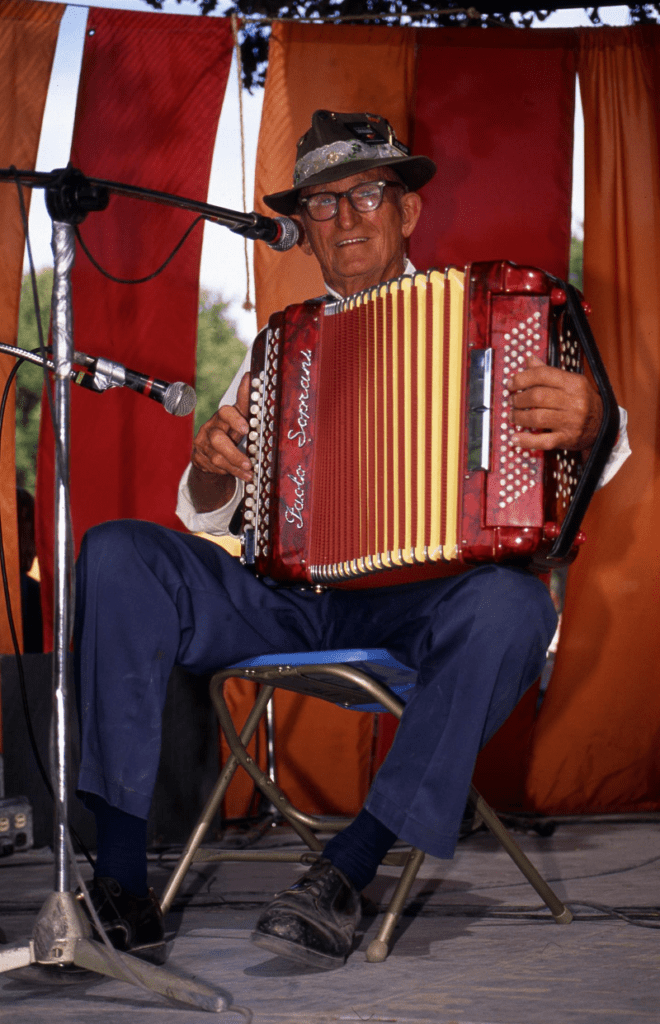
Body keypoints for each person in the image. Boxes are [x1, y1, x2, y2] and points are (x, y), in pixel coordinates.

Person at [74, 110, 630, 969]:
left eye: (366, 193)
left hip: (428, 602)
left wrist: (591, 418)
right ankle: (118, 882)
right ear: (304, 233)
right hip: (292, 603)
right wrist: (216, 468)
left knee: (514, 604)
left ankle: (350, 868)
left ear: (407, 210)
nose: (345, 219)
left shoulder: (493, 313)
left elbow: (606, 443)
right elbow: (207, 516)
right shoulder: (281, 345)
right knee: (117, 554)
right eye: (322, 207)